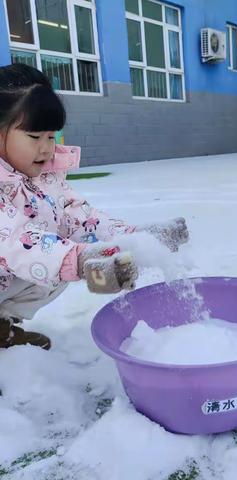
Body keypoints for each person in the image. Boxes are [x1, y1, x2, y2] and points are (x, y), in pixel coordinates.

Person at [0, 64, 188, 350]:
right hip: (10, 259)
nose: (47, 148)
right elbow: (14, 241)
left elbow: (81, 218)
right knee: (59, 260)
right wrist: (77, 260)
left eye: (51, 136)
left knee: (55, 266)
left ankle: (2, 329)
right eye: (35, 137)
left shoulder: (44, 177)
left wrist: (136, 237)